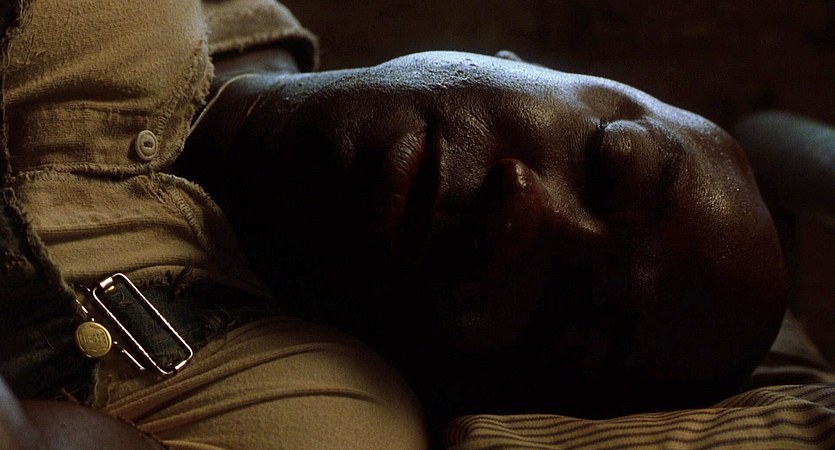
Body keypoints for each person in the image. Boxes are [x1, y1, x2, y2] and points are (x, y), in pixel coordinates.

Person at [1, 1, 832, 449]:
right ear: (524, 66)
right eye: (605, 161)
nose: (522, 216)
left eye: (566, 313)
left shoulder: (310, 416)